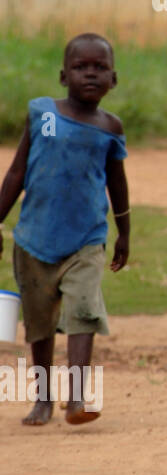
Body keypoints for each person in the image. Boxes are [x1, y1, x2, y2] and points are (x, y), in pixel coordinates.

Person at [0, 33, 129, 426]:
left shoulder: (110, 127)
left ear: (114, 79)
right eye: (80, 67)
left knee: (83, 312)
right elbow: (18, 171)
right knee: (39, 326)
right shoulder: (43, 114)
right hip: (34, 240)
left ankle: (75, 399)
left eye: (99, 68)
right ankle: (42, 398)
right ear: (63, 75)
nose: (90, 74)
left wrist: (124, 232)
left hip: (86, 240)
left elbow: (117, 182)